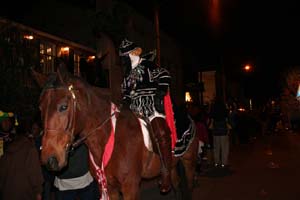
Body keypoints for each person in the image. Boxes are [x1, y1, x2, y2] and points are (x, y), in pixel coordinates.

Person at [119, 38, 172, 193]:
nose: (124, 60)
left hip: (150, 105)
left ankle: (166, 171)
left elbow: (164, 75)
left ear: (132, 54)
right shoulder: (128, 74)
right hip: (133, 109)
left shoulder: (148, 65)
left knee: (161, 132)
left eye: (125, 56)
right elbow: (127, 92)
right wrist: (125, 101)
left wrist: (160, 91)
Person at [0, 119, 44, 200]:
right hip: (25, 193)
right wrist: (38, 191)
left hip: (7, 192)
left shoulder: (8, 147)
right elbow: (34, 172)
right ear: (28, 133)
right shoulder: (30, 148)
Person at [209, 98, 230, 168]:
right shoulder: (224, 108)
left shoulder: (213, 108)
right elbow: (227, 118)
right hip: (223, 128)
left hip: (215, 129)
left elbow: (211, 118)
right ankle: (224, 162)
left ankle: (216, 162)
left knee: (216, 146)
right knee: (224, 146)